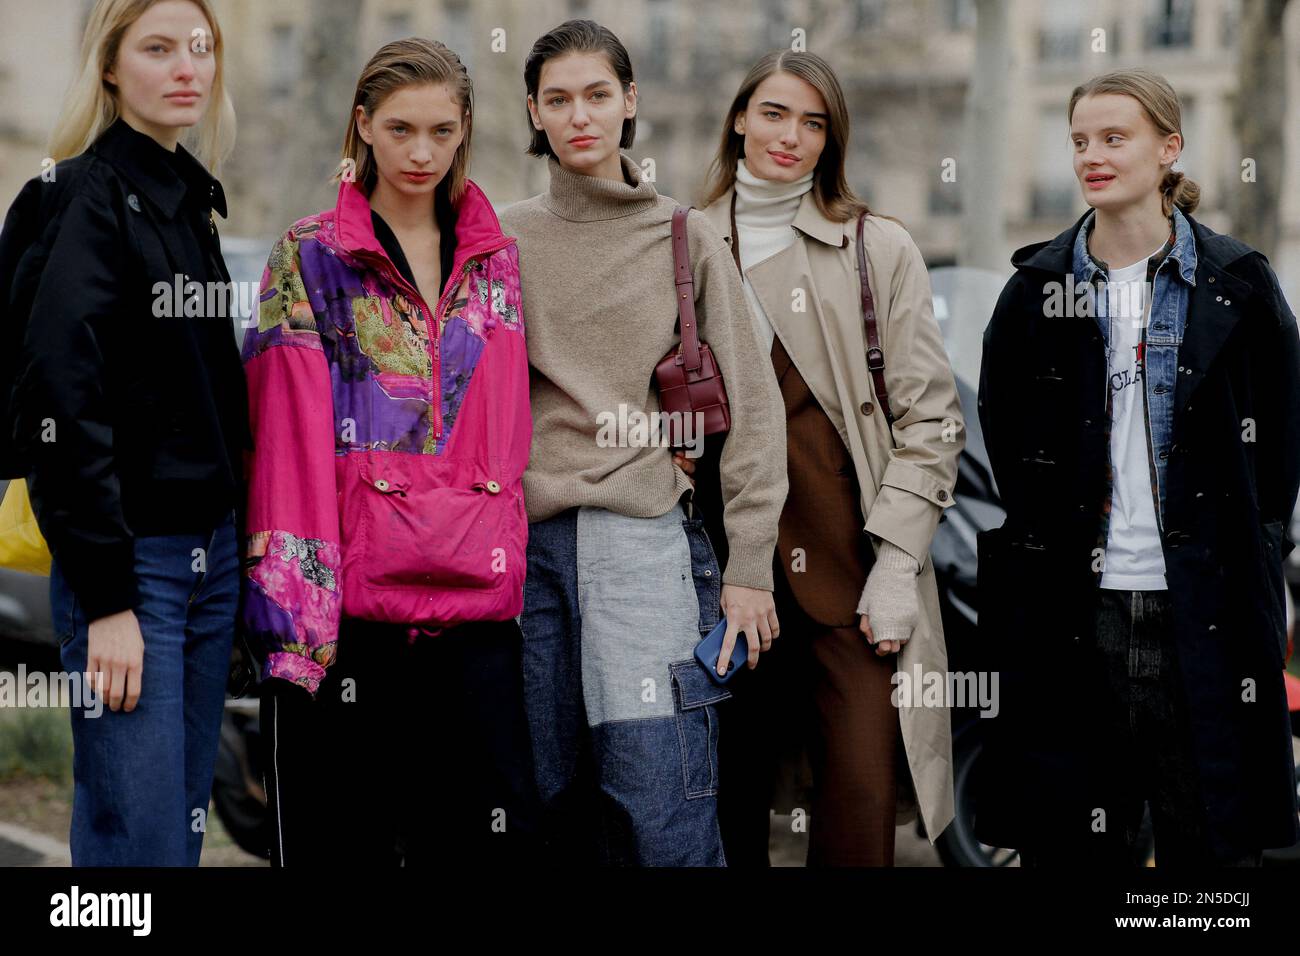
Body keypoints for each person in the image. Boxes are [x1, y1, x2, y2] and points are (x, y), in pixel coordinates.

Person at [976, 68, 1300, 866]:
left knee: (1209, 847)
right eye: (1080, 139)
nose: (1092, 155)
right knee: (1075, 840)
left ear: (1169, 148)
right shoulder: (1035, 291)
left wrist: (1257, 554)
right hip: (1072, 615)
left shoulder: (1240, 286)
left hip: (1205, 611)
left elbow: (1281, 449)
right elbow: (1006, 439)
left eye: (1114, 138)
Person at [242, 38, 537, 866]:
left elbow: (511, 433)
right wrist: (295, 639)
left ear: (466, 127)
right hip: (351, 623)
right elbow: (286, 456)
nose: (421, 152)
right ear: (362, 125)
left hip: (478, 619)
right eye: (400, 128)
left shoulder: (498, 263)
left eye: (442, 130)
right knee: (343, 849)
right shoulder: (306, 257)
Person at [499, 19, 788, 866]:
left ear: (630, 102)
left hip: (644, 552)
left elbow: (756, 410)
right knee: (547, 809)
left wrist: (748, 571)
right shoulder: (499, 237)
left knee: (661, 808)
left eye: (598, 94)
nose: (580, 116)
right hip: (529, 553)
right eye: (558, 99)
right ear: (535, 113)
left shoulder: (681, 234)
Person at [698, 50, 963, 866]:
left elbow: (933, 416)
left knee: (859, 803)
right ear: (740, 117)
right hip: (715, 574)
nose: (791, 136)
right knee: (721, 802)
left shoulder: (876, 246)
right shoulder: (683, 239)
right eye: (775, 113)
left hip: (852, 571)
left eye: (815, 123)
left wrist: (896, 562)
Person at [2, 0, 245, 865]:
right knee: (134, 837)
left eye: (200, 47)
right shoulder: (84, 200)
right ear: (109, 67)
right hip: (132, 566)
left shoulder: (191, 204)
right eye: (157, 48)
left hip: (209, 559)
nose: (187, 65)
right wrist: (107, 599)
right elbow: (59, 406)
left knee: (173, 829)